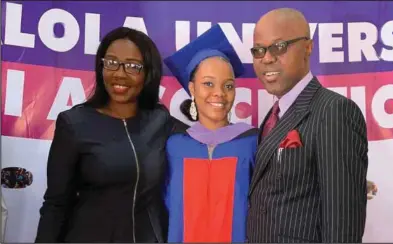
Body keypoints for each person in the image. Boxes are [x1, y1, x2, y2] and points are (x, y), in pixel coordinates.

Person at [35, 27, 186, 243]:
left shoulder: (160, 121)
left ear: (148, 73)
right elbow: (55, 204)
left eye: (133, 66)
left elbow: (203, 140)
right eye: (111, 62)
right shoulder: (74, 123)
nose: (119, 74)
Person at [246, 8, 369, 243]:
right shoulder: (273, 116)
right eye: (259, 50)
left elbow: (343, 227)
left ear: (308, 47)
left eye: (279, 46)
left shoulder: (333, 111)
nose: (267, 58)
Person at [163, 24, 258, 243]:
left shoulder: (252, 142)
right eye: (208, 84)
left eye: (228, 86)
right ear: (192, 89)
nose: (219, 94)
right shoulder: (173, 145)